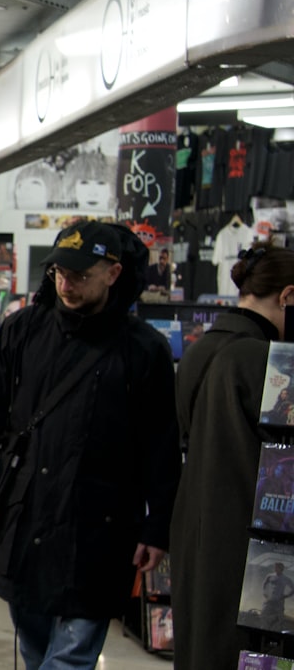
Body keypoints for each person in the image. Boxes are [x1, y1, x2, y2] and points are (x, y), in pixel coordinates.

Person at [0, 220, 180, 670]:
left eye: (80, 274)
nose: (66, 283)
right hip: (27, 513)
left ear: (113, 273)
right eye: (60, 271)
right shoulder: (22, 331)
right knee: (36, 643)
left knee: (72, 654)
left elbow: (160, 443)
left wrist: (157, 526)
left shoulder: (144, 349)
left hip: (101, 523)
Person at [171, 244, 294, 670]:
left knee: (202, 644)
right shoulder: (264, 358)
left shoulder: (202, 348)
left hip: (197, 526)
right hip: (250, 536)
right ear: (287, 296)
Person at [264, 563, 294, 629]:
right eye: (275, 567)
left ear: (281, 569)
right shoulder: (270, 576)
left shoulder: (285, 578)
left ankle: (279, 629)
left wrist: (286, 596)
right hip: (270, 599)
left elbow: (293, 588)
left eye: (277, 567)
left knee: (280, 617)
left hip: (279, 601)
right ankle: (265, 627)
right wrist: (265, 593)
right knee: (265, 614)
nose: (275, 569)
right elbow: (265, 584)